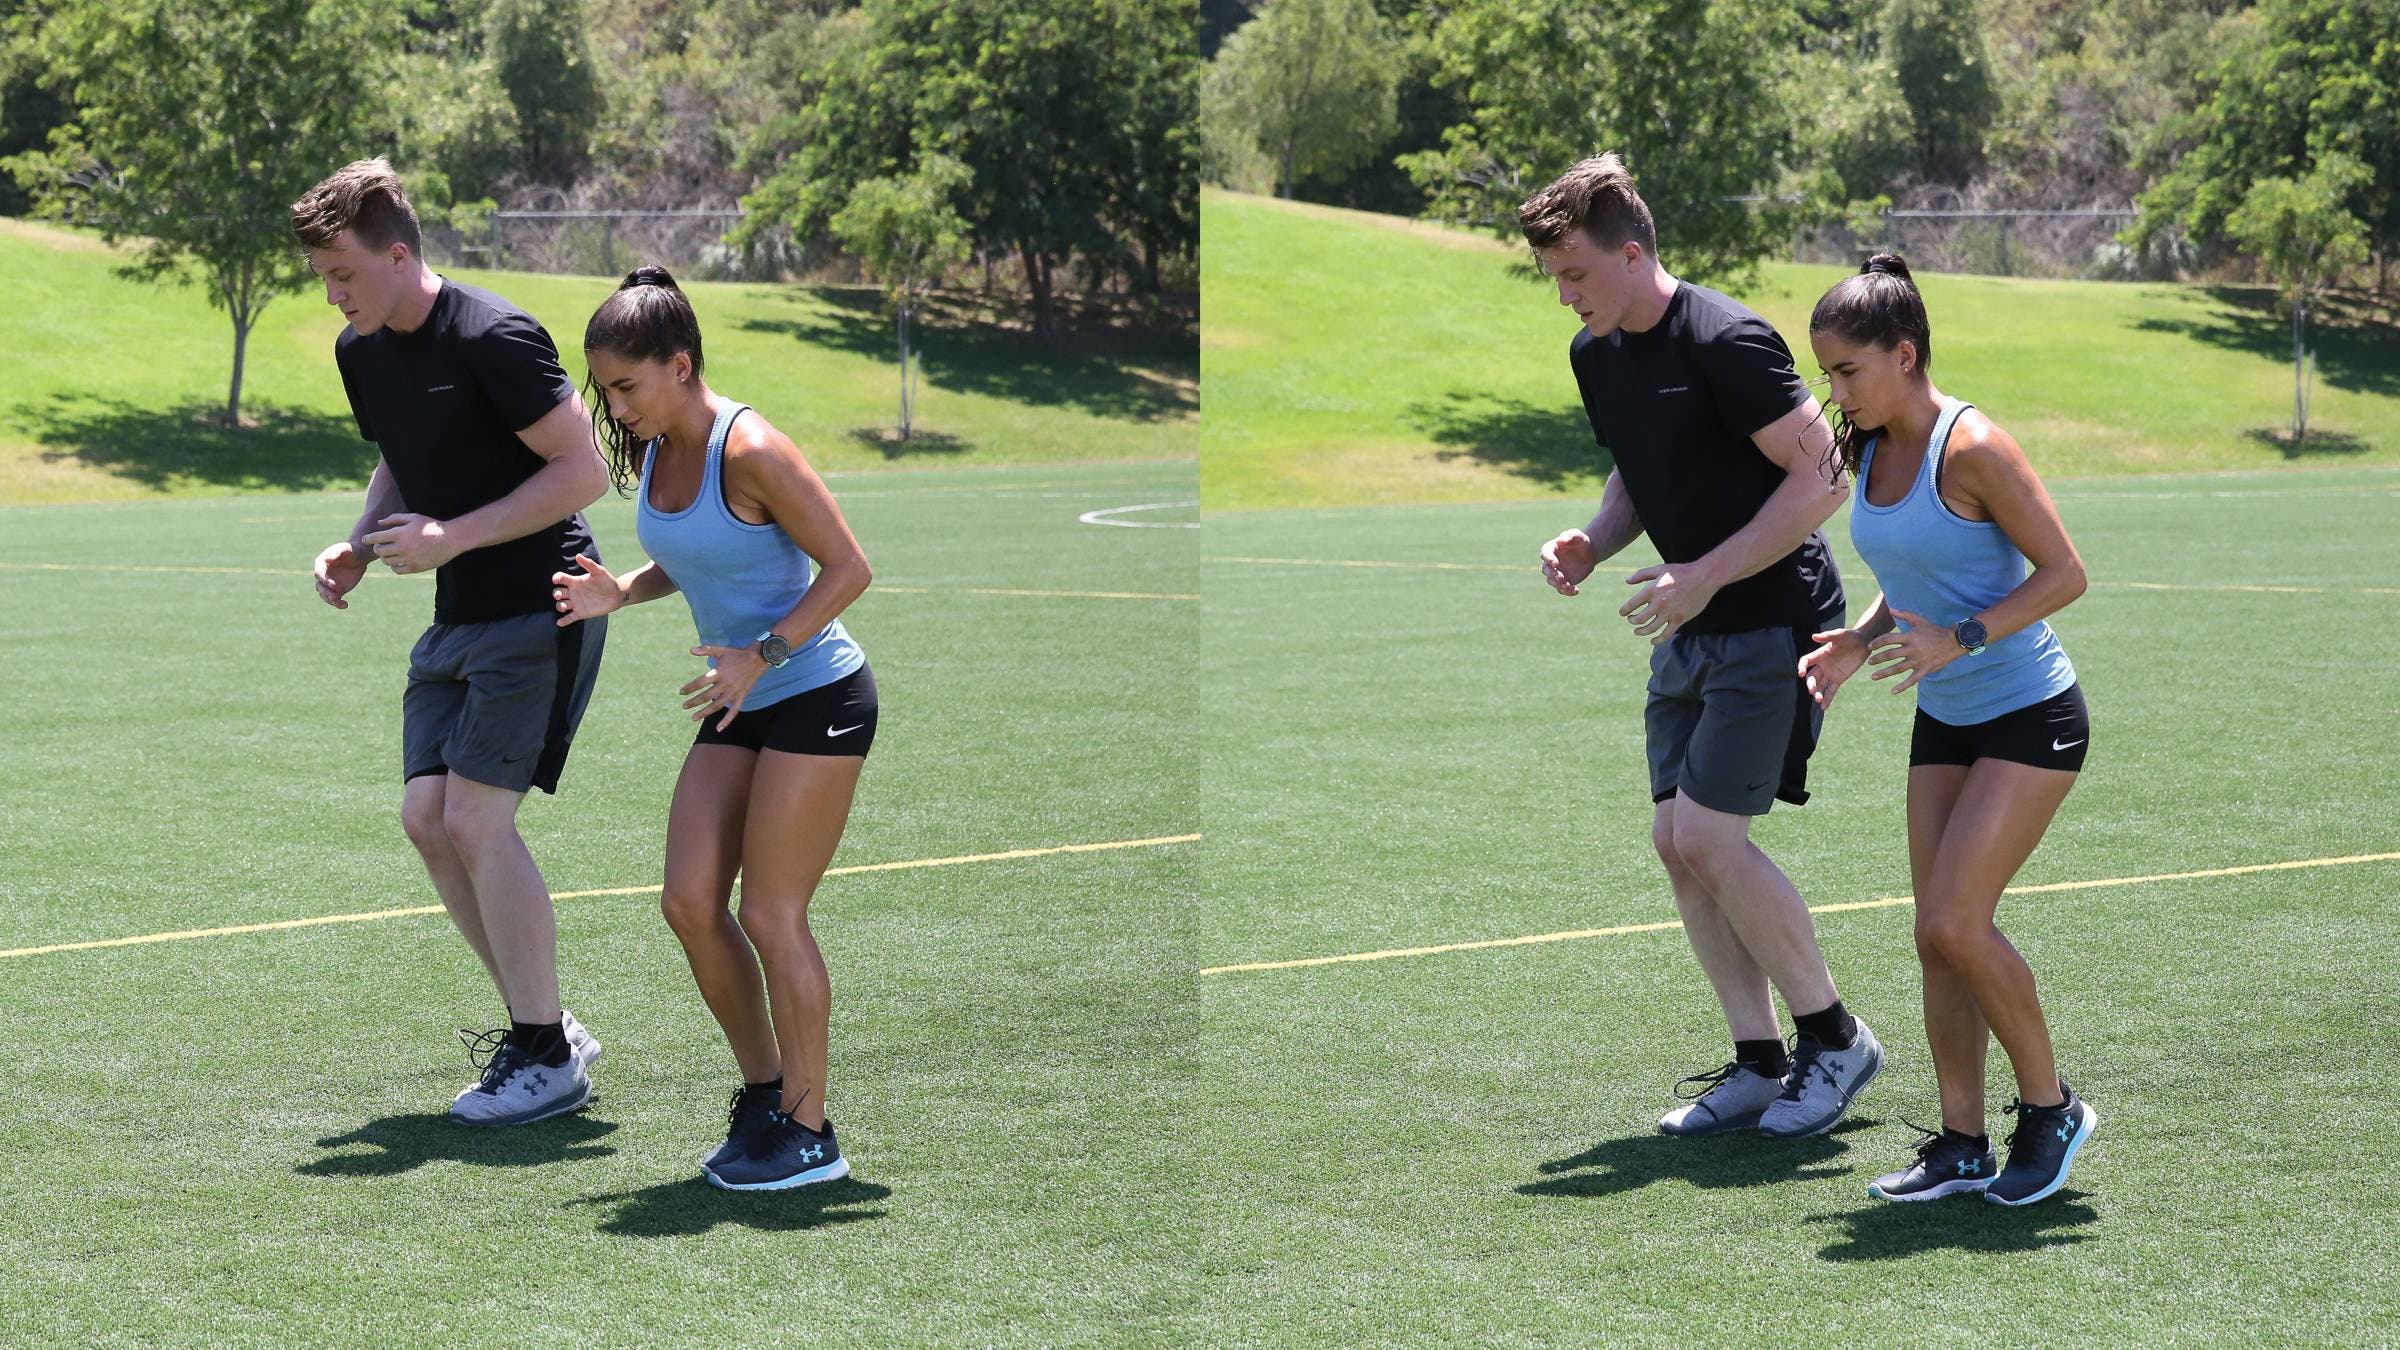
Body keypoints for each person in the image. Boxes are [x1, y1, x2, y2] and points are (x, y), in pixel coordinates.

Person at [1523, 153, 1881, 1140]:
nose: (1565, 297)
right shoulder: (1597, 354)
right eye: (1555, 279)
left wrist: (1709, 572)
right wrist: (1595, 539)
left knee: (1711, 838)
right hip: (1692, 616)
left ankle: (1837, 1040)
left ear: (1632, 254)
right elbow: (1641, 472)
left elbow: (1822, 479)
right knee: (1676, 845)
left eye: (1577, 276)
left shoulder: (1726, 338)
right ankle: (1760, 1063)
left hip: (1773, 615)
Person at [295, 159, 610, 1127]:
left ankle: (544, 1054)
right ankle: (542, 1025)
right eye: (323, 277)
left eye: (344, 272)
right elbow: (400, 453)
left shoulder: (493, 334)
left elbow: (585, 471)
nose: (333, 292)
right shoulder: (362, 351)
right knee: (426, 820)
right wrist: (360, 544)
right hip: (457, 613)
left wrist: (449, 540)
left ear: (399, 255)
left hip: (542, 600)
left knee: (476, 821)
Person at [553, 267, 875, 1191]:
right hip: (745, 699)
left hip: (815, 693)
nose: (613, 408)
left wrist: (759, 655)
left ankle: (811, 1134)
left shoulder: (754, 448)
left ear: (681, 364)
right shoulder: (655, 446)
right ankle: (765, 1094)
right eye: (604, 389)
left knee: (771, 914)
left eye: (626, 386)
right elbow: (687, 554)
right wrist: (622, 590)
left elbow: (850, 568)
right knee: (689, 903)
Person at [1797, 254, 2096, 1206]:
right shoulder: (1876, 443)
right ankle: (1961, 1141)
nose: (1832, 390)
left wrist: (1957, 639)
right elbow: (1926, 566)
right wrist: (1862, 637)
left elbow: (2063, 574)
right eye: (1826, 371)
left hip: (2031, 712)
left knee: (1959, 922)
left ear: (1905, 353)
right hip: (1950, 716)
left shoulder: (1973, 447)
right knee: (1935, 939)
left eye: (1846, 370)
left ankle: (2051, 1111)